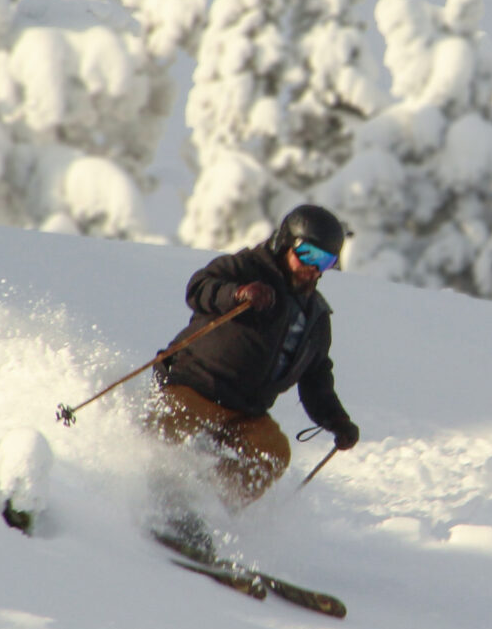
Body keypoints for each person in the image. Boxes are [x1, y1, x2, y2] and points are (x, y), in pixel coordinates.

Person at [147, 204, 360, 507]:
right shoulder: (248, 268)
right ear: (286, 243)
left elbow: (316, 376)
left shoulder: (315, 316)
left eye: (325, 261)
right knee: (172, 426)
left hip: (245, 410)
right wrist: (239, 293)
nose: (314, 267)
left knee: (272, 453)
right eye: (308, 254)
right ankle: (150, 495)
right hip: (194, 383)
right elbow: (199, 288)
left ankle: (207, 512)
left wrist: (336, 419)